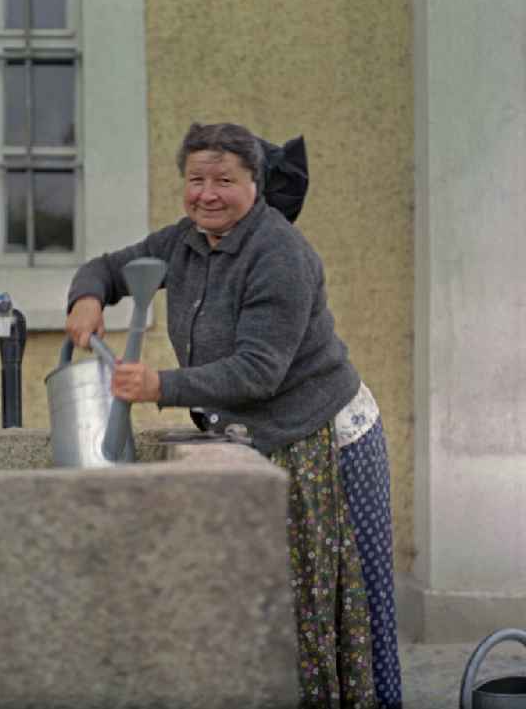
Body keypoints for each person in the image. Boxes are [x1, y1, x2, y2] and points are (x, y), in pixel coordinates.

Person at [65, 122, 402, 709]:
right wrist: (87, 296)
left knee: (348, 606)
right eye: (196, 179)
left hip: (328, 440)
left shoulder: (281, 256)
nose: (207, 193)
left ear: (255, 185)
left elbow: (257, 372)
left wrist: (158, 385)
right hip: (256, 440)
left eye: (225, 180)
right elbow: (110, 267)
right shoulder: (184, 242)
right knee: (274, 606)